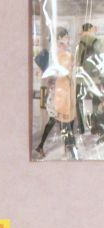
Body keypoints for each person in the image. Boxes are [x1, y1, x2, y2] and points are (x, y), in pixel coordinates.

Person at [35, 27, 77, 159]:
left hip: (64, 91)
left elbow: (68, 71)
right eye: (66, 37)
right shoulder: (58, 55)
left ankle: (46, 146)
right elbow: (49, 72)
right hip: (59, 92)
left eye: (68, 37)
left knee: (56, 120)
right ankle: (69, 147)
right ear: (59, 39)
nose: (68, 39)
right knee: (62, 120)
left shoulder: (65, 54)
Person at [75, 23, 103, 135]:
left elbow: (78, 62)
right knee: (95, 100)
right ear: (90, 29)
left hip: (82, 78)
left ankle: (84, 127)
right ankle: (95, 125)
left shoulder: (80, 43)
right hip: (94, 77)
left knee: (82, 101)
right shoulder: (96, 41)